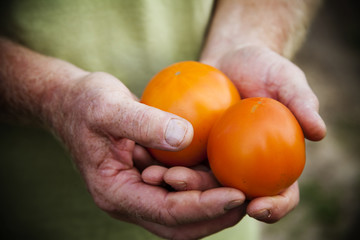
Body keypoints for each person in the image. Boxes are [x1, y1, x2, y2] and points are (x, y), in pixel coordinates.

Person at [0, 0, 326, 239]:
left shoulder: (242, 121)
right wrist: (52, 97)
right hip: (33, 209)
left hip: (225, 217)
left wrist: (251, 37)